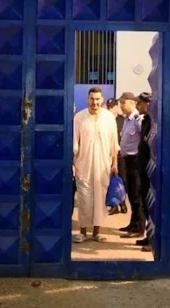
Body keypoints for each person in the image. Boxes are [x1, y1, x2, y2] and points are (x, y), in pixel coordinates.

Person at [72, 87, 120, 243]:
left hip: (103, 165)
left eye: (98, 99)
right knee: (84, 198)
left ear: (102, 99)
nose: (95, 102)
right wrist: (73, 164)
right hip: (83, 165)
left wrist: (114, 164)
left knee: (100, 197)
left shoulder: (109, 118)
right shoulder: (79, 117)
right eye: (92, 99)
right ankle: (82, 232)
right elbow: (74, 143)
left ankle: (97, 232)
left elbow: (114, 143)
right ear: (88, 99)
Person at [117, 92, 145, 238]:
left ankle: (139, 227)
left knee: (137, 194)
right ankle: (133, 223)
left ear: (132, 103)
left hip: (135, 161)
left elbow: (144, 139)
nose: (121, 106)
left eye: (123, 103)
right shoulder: (127, 119)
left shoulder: (137, 119)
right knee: (131, 193)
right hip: (127, 161)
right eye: (120, 103)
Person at [135, 92, 153, 252]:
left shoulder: (153, 121)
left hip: (150, 169)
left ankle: (152, 240)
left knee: (151, 205)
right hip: (143, 167)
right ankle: (149, 235)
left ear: (147, 103)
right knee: (145, 203)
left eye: (139, 103)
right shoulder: (146, 120)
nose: (137, 105)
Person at [106, 97, 127, 215]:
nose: (110, 109)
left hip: (121, 155)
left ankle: (122, 204)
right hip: (109, 154)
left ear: (116, 107)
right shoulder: (105, 120)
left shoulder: (122, 120)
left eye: (112, 107)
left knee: (121, 180)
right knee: (110, 180)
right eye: (108, 107)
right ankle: (114, 205)